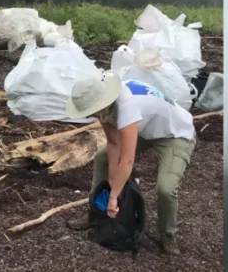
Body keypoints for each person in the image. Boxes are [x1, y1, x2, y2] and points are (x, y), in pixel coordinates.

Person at [64, 72, 197, 256]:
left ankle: (167, 234)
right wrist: (112, 183)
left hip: (175, 134)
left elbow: (127, 159)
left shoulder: (127, 105)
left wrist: (114, 197)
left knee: (166, 188)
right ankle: (94, 213)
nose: (92, 115)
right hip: (146, 128)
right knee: (101, 158)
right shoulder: (104, 105)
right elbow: (113, 143)